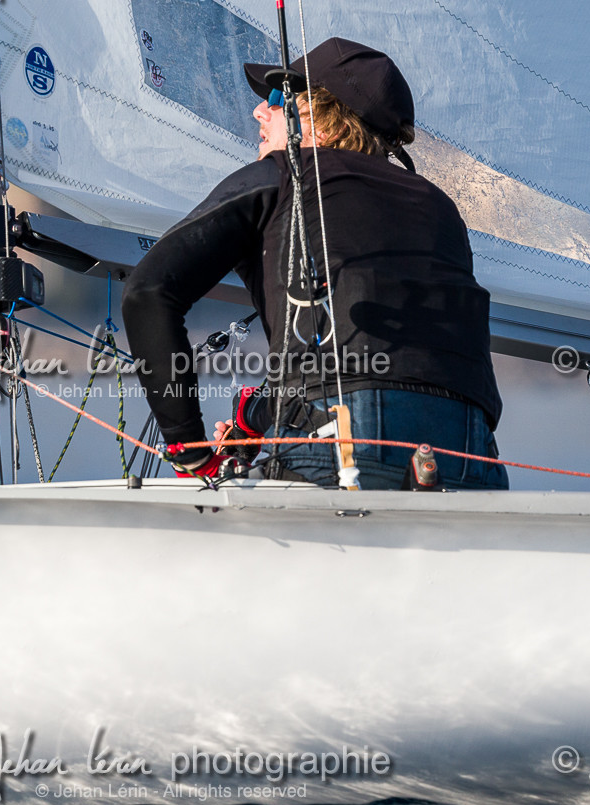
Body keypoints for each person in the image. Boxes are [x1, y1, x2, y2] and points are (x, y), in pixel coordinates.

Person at [122, 37, 506, 489]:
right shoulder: (441, 209)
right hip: (471, 448)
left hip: (345, 437)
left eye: (278, 100)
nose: (259, 113)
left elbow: (148, 293)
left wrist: (188, 450)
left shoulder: (283, 176)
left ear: (326, 123)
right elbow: (391, 359)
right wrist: (256, 415)